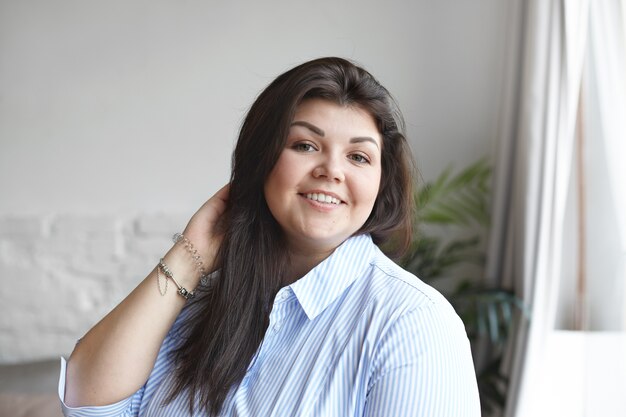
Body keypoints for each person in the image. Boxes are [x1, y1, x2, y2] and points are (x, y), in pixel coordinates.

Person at [59, 57, 481, 416]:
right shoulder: (199, 311)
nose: (332, 170)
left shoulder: (412, 324)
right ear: (261, 161)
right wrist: (189, 258)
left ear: (380, 180)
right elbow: (88, 405)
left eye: (358, 156)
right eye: (305, 145)